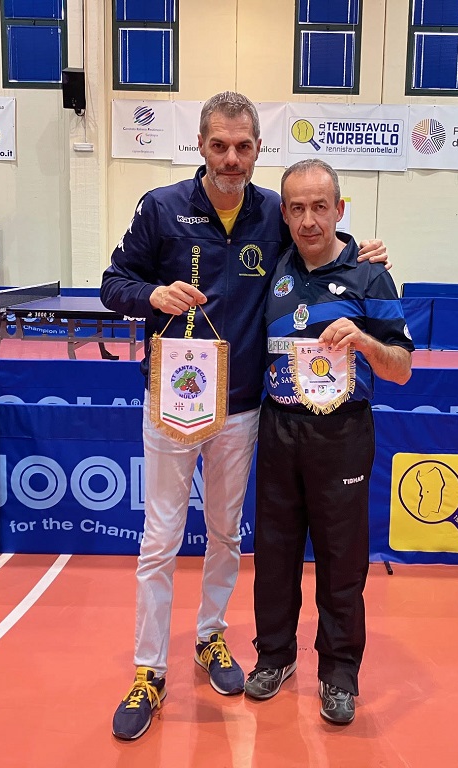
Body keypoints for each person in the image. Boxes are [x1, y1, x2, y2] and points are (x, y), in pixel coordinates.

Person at [100, 92, 387, 741]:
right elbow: (112, 283)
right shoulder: (161, 208)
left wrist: (364, 255)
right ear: (201, 146)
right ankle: (148, 670)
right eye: (219, 145)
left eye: (243, 146)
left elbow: (322, 244)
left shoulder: (272, 214)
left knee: (226, 534)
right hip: (172, 402)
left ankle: (210, 637)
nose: (231, 158)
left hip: (242, 407)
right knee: (160, 538)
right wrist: (151, 293)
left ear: (258, 149)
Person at [244, 160, 413, 725]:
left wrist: (364, 340)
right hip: (278, 427)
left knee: (342, 561)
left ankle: (339, 673)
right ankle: (275, 656)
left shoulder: (370, 276)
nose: (309, 220)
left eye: (320, 207)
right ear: (284, 214)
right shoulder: (274, 265)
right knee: (274, 553)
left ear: (340, 209)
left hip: (342, 433)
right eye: (296, 208)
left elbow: (402, 369)